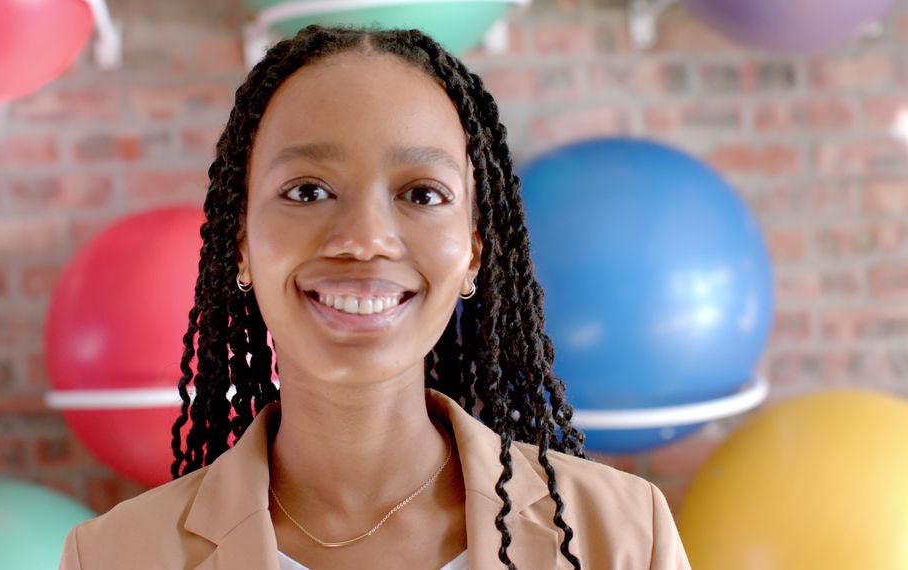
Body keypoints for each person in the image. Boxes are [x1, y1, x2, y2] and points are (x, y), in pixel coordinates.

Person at [58, 25, 691, 570]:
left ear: (473, 251)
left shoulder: (623, 538)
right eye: (307, 191)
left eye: (421, 194)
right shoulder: (115, 556)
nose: (363, 240)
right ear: (241, 244)